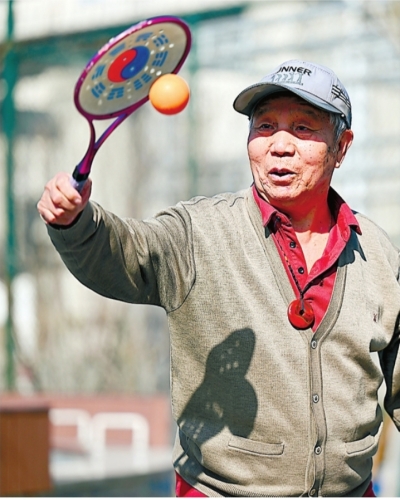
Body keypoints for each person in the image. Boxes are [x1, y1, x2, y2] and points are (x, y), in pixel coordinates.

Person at [37, 59, 400, 497]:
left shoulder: (377, 253)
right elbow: (123, 253)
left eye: (303, 128)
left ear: (341, 147)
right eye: (265, 126)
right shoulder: (198, 232)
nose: (279, 145)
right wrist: (76, 222)